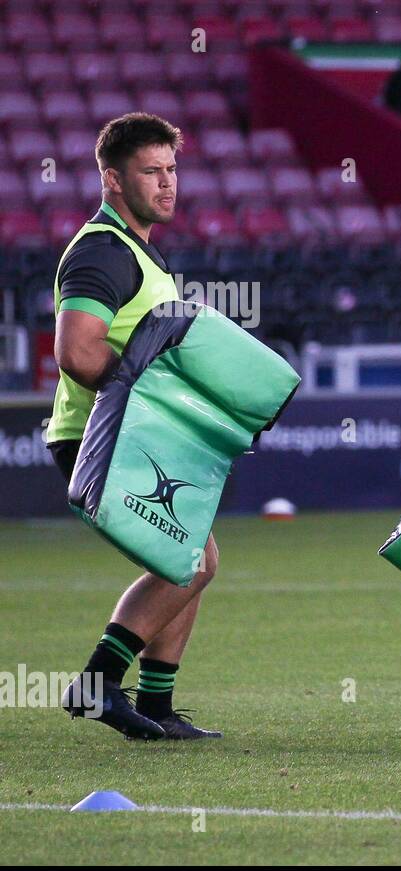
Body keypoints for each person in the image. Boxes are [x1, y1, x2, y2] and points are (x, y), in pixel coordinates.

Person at [50, 113, 220, 741]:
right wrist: (152, 405)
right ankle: (98, 684)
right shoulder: (103, 251)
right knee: (192, 560)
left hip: (133, 435)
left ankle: (154, 705)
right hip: (99, 438)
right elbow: (78, 351)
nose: (167, 183)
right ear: (112, 180)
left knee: (191, 556)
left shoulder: (139, 253)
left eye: (172, 169)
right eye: (152, 171)